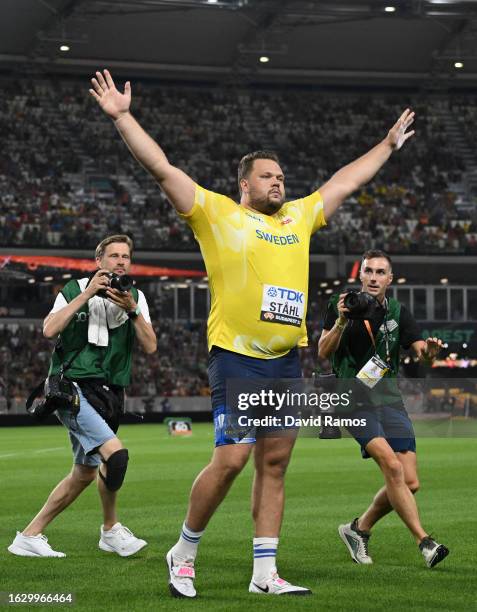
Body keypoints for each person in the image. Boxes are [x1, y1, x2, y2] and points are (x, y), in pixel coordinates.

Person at [89, 69, 415, 597]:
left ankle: (265, 573)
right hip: (237, 356)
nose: (278, 183)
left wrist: (386, 144)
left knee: (276, 461)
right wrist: (124, 118)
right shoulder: (216, 214)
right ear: (245, 183)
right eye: (268, 177)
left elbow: (345, 181)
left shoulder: (299, 218)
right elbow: (161, 168)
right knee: (233, 459)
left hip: (285, 362)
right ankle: (185, 550)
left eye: (282, 177)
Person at [8, 235, 157, 558]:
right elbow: (49, 330)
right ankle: (111, 529)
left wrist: (133, 311)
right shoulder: (74, 289)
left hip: (110, 392)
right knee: (115, 456)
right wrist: (89, 293)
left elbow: (150, 345)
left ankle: (30, 536)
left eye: (126, 256)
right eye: (114, 255)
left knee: (84, 473)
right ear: (98, 260)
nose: (120, 261)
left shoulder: (135, 296)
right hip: (71, 388)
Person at [318, 250, 449, 569]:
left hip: (389, 398)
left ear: (390, 279)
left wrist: (430, 354)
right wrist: (340, 321)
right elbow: (323, 351)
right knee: (392, 467)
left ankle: (357, 529)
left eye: (380, 272)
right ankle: (425, 542)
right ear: (360, 275)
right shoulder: (342, 304)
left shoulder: (398, 312)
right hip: (352, 398)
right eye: (369, 271)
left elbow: (422, 354)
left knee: (410, 481)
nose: (374, 277)